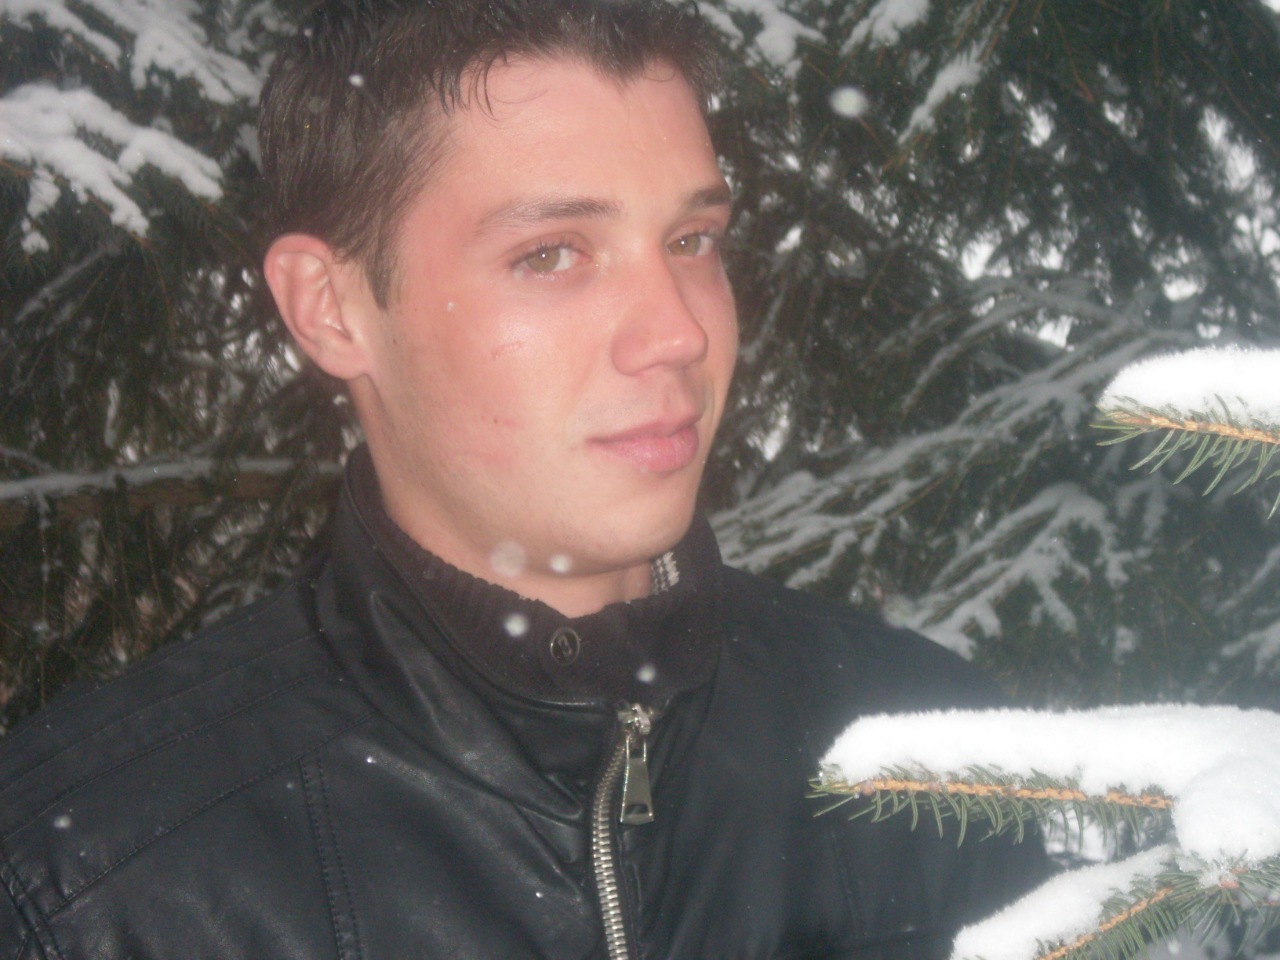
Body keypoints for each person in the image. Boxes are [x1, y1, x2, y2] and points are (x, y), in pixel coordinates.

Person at [0, 1, 1048, 957]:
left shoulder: (933, 757)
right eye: (552, 253)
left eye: (692, 239)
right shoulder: (88, 888)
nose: (678, 332)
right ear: (330, 307)